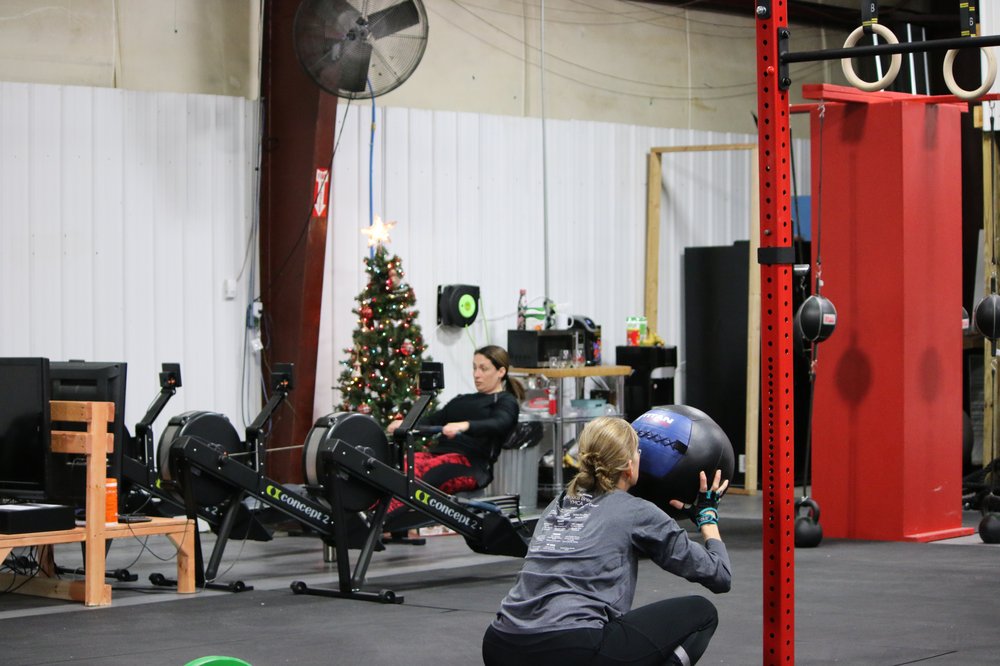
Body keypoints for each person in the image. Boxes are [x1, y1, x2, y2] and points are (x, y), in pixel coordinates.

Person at [482, 416, 731, 666]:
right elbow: (719, 575)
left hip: (500, 645)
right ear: (629, 466)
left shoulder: (559, 503)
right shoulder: (636, 512)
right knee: (702, 613)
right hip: (569, 648)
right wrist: (707, 517)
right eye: (638, 452)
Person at [384, 345, 524, 520]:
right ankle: (370, 517)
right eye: (474, 367)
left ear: (501, 372)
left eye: (483, 368)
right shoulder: (462, 400)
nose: (476, 374)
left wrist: (465, 425)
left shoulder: (505, 400)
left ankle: (377, 521)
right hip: (438, 454)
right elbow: (432, 420)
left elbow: (500, 423)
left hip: (471, 464)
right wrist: (405, 424)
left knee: (418, 473)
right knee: (399, 467)